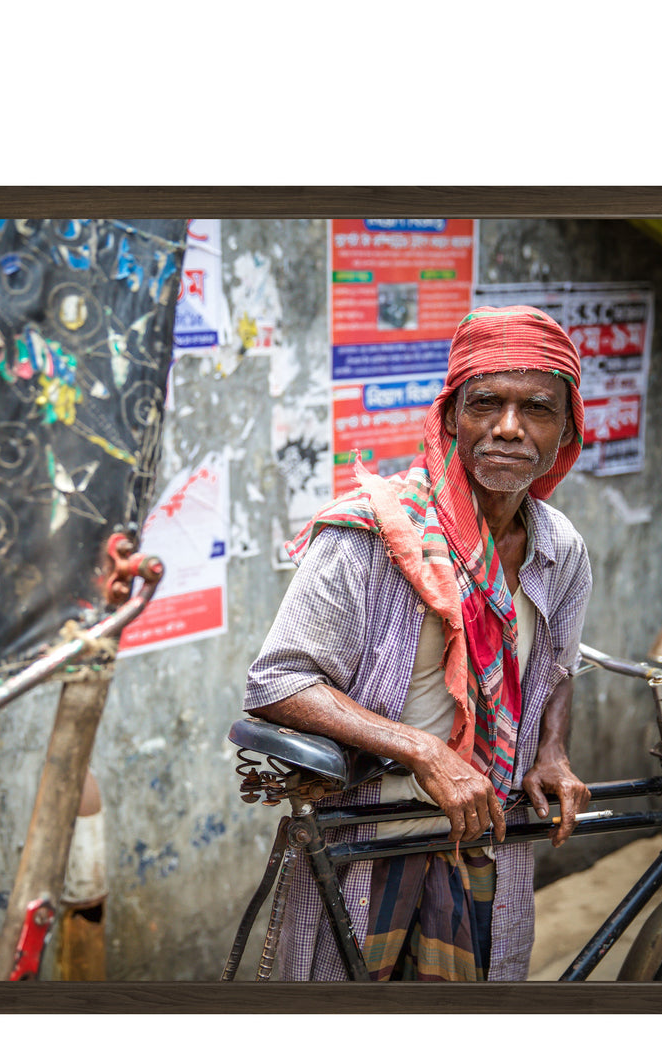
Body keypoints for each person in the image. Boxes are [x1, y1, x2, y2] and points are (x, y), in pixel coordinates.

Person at [244, 305, 593, 982]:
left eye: (538, 409)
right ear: (451, 417)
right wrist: (426, 751)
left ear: (568, 429)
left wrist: (551, 750)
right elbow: (278, 682)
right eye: (486, 403)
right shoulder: (371, 536)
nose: (509, 428)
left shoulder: (560, 549)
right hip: (371, 839)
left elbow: (556, 667)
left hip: (484, 835)